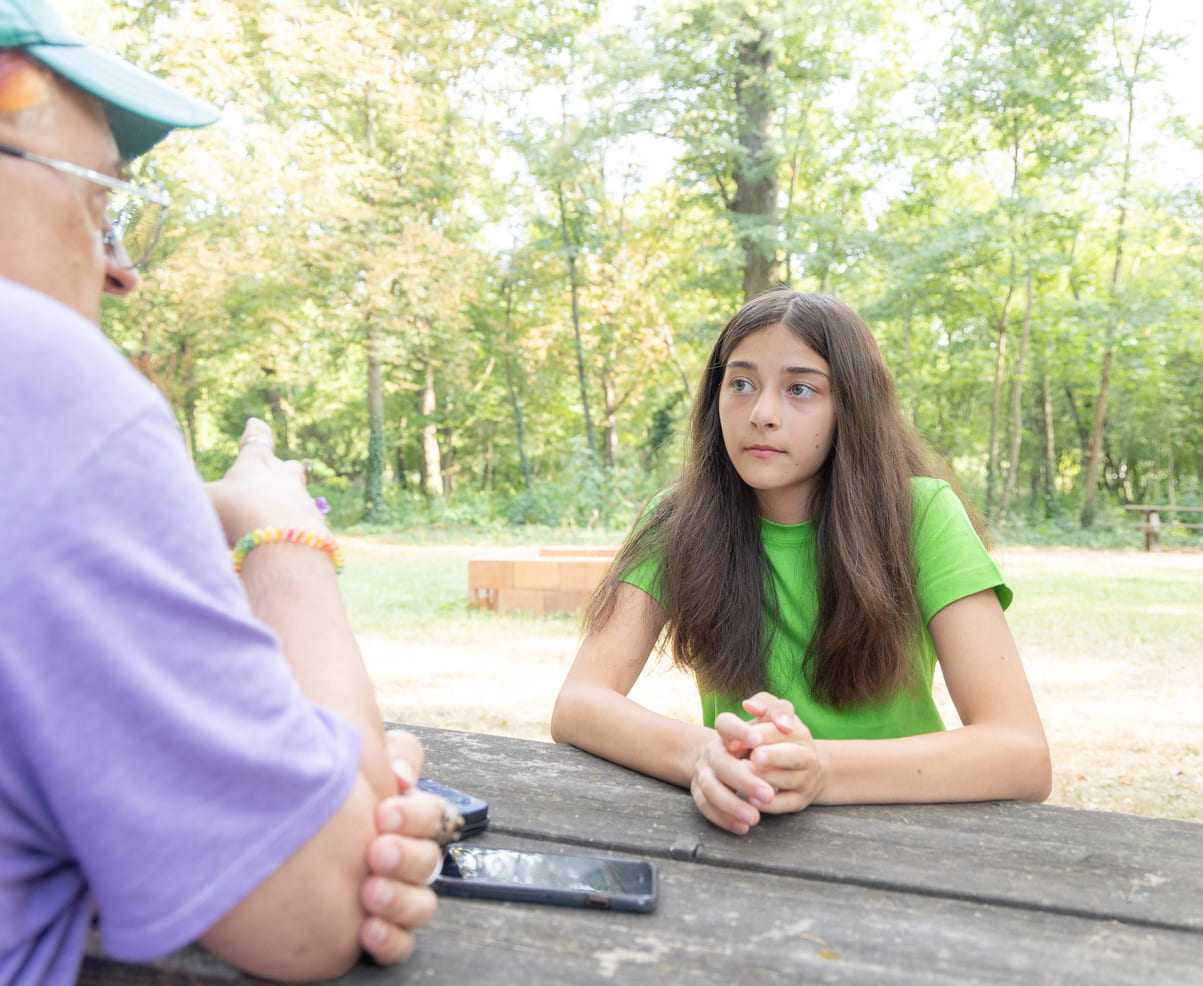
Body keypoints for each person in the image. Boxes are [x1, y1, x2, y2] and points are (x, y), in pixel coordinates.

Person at [0, 1, 445, 982]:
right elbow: (327, 903)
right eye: (98, 201)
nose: (121, 272)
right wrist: (281, 535)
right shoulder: (41, 376)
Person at [551, 290, 1052, 836]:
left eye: (800, 389)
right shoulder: (678, 519)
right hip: (741, 829)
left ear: (852, 408)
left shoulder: (922, 515)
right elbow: (579, 703)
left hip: (905, 834)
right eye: (740, 384)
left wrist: (821, 772)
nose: (762, 414)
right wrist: (704, 757)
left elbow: (1022, 755)